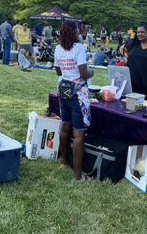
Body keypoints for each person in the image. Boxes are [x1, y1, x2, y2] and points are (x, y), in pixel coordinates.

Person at [54, 21, 95, 182]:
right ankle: (77, 175)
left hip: (63, 90)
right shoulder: (78, 48)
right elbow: (84, 73)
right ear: (75, 32)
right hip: (78, 94)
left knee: (65, 126)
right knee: (78, 133)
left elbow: (58, 70)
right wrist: (91, 72)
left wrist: (66, 70)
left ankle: (64, 162)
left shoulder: (58, 48)